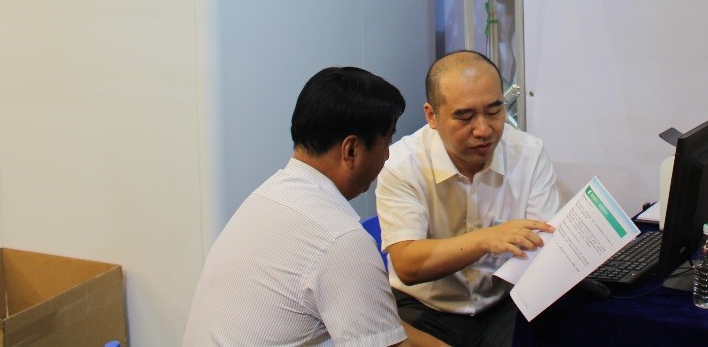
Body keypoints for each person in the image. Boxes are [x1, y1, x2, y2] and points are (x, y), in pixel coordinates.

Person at [183, 66, 443, 347]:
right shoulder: (340, 239)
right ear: (351, 150)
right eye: (386, 142)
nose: (388, 156)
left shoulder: (269, 196)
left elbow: (381, 325)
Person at [376, 51, 559, 347]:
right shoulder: (402, 164)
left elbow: (542, 247)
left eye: (494, 111)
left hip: (503, 303)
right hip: (423, 307)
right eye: (465, 117)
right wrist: (486, 239)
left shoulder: (529, 154)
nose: (483, 130)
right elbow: (407, 264)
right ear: (432, 116)